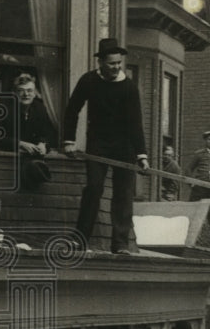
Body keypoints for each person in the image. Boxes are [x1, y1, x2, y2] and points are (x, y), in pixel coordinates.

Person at [62, 40, 148, 254]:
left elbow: (136, 123)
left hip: (124, 146)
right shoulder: (89, 81)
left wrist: (141, 155)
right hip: (98, 144)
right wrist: (69, 141)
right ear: (100, 62)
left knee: (124, 193)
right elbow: (72, 110)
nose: (116, 67)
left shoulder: (129, 87)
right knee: (94, 188)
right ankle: (80, 240)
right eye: (111, 64)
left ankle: (120, 244)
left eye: (119, 63)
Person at [0, 72, 56, 189]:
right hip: (7, 168)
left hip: (35, 167)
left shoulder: (40, 108)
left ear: (35, 93)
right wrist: (20, 144)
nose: (26, 94)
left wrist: (43, 144)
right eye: (21, 90)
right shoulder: (4, 108)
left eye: (30, 90)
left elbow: (49, 134)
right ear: (14, 93)